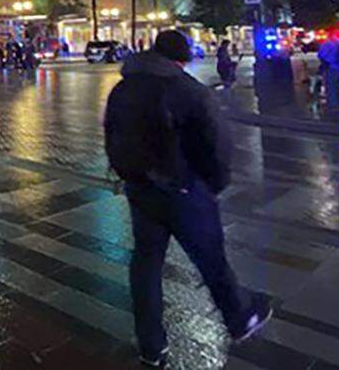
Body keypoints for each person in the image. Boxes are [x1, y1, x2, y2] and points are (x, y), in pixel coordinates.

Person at [104, 30, 270, 366]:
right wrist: (214, 182)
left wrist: (127, 174)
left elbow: (111, 133)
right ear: (181, 59)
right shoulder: (187, 90)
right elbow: (217, 142)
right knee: (211, 259)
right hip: (184, 189)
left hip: (140, 190)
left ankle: (151, 345)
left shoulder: (122, 88)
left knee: (146, 264)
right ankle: (239, 318)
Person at [317, 35, 339, 112]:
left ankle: (333, 104)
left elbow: (321, 55)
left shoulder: (327, 44)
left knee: (331, 87)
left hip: (332, 68)